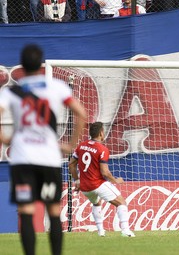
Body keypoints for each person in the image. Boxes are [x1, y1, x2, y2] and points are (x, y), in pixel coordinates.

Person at [0, 44, 86, 255]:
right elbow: (80, 112)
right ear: (40, 65)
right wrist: (70, 144)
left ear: (22, 65)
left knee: (27, 212)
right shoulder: (56, 87)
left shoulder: (12, 91)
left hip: (22, 159)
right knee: (54, 212)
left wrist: (6, 138)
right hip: (48, 158)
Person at [68, 122, 135, 237]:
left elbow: (71, 164)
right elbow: (105, 172)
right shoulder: (102, 149)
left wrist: (77, 181)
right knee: (121, 202)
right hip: (97, 184)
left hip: (85, 187)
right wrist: (115, 180)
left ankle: (101, 232)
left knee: (96, 203)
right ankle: (125, 231)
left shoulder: (81, 146)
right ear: (100, 133)